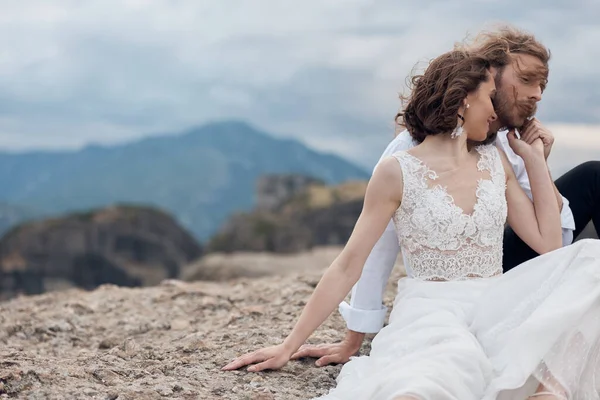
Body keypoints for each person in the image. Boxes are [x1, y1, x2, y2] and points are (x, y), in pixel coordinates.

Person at [223, 47, 600, 399]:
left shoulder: (494, 160)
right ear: (464, 99)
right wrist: (290, 345)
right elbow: (349, 263)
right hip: (433, 307)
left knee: (592, 261)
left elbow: (551, 247)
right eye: (488, 98)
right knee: (435, 375)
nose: (493, 110)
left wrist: (535, 159)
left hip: (496, 297)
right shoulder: (397, 169)